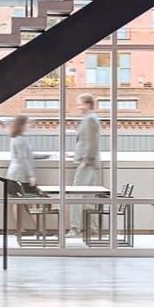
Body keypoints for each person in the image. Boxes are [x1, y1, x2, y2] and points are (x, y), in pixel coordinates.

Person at [68, 93, 102, 237]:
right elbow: (85, 141)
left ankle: (75, 228)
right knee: (89, 196)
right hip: (87, 161)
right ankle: (93, 228)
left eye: (80, 103)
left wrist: (86, 160)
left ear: (87, 104)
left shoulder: (90, 119)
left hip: (87, 163)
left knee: (76, 194)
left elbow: (91, 142)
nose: (78, 107)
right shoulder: (89, 119)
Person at [6, 114, 37, 189]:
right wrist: (31, 176)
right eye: (28, 123)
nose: (29, 125)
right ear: (22, 125)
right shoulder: (20, 139)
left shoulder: (17, 137)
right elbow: (23, 158)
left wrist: (47, 156)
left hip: (17, 174)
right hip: (19, 175)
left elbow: (27, 155)